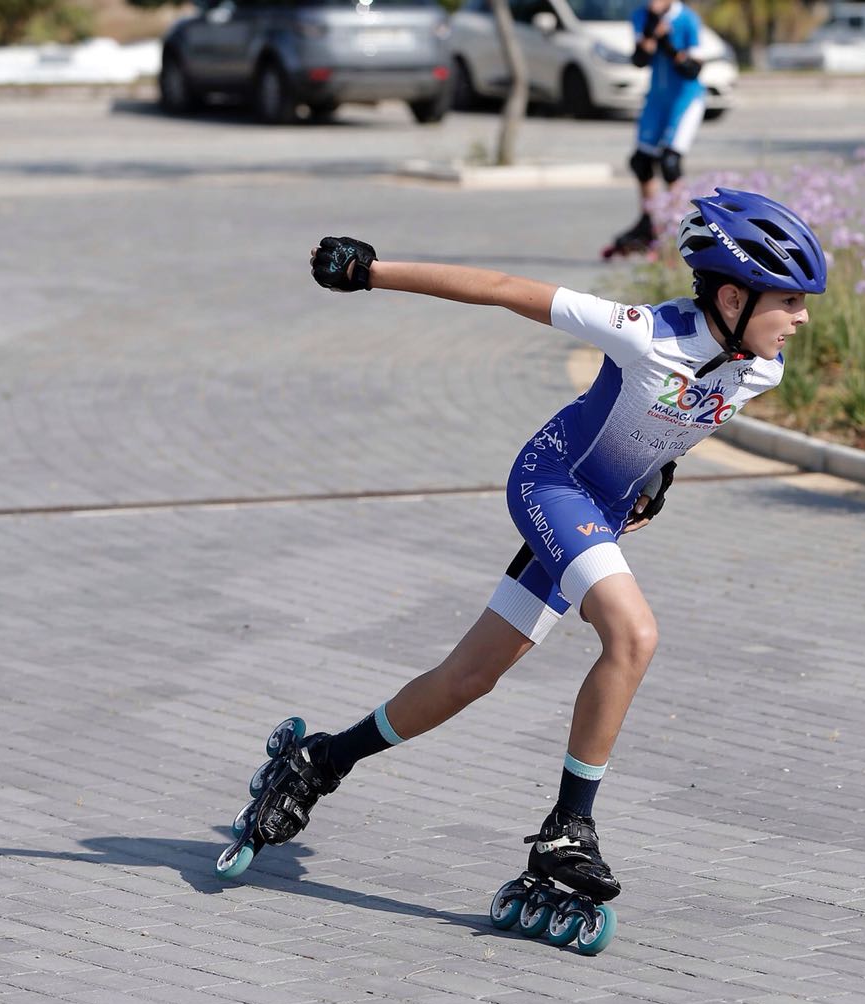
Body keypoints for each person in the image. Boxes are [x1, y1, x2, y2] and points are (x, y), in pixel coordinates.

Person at [219, 188, 827, 950]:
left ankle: (319, 762)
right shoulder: (642, 331)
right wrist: (371, 273)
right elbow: (506, 292)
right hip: (552, 485)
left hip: (600, 509)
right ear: (733, 297)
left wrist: (658, 474)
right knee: (634, 637)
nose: (802, 318)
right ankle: (569, 827)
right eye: (791, 301)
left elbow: (669, 424)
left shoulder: (759, 368)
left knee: (467, 679)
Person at [604, 0, 709, 258]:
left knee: (670, 163)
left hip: (684, 98)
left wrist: (667, 43)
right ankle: (650, 224)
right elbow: (640, 59)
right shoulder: (641, 16)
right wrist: (651, 33)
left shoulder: (687, 20)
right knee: (641, 162)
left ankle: (677, 229)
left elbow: (692, 69)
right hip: (656, 99)